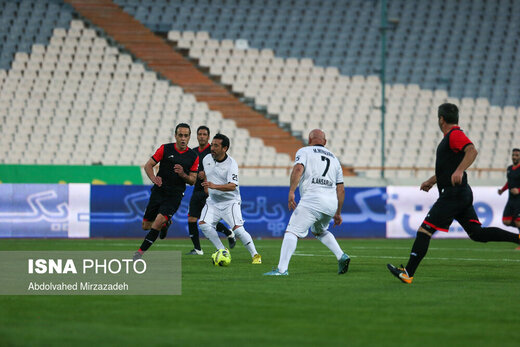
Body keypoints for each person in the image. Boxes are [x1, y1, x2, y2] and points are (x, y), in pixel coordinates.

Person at [387, 103, 520, 283]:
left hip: (454, 194)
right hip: (460, 193)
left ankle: (408, 273)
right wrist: (432, 180)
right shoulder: (451, 138)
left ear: (441, 119)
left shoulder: (454, 135)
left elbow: (472, 150)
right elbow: (448, 168)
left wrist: (459, 170)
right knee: (477, 234)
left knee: (424, 230)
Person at [264, 129, 350, 276]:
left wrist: (291, 191)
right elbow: (341, 189)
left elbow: (298, 168)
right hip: (330, 203)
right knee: (319, 230)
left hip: (312, 200)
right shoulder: (335, 159)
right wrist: (338, 213)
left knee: (292, 231)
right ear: (325, 142)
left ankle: (281, 270)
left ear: (309, 140)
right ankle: (341, 255)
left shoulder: (305, 151)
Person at [133, 123, 199, 260]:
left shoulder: (193, 156)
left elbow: (192, 180)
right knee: (146, 225)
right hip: (159, 191)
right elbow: (148, 165)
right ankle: (166, 224)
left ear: (189, 137)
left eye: (186, 136)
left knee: (157, 221)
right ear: (175, 136)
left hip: (175, 194)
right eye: (180, 135)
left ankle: (139, 253)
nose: (183, 138)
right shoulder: (165, 149)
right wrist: (153, 178)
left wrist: (183, 175)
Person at [198, 133, 262, 264]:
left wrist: (213, 186)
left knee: (238, 229)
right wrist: (205, 180)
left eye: (216, 146)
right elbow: (207, 174)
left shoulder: (231, 164)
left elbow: (232, 186)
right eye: (212, 145)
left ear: (224, 148)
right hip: (213, 202)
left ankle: (255, 255)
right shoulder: (206, 159)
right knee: (203, 225)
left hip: (230, 202)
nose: (212, 148)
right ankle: (222, 250)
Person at [186, 125, 236, 255]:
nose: (202, 136)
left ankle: (228, 233)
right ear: (196, 136)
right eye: (199, 134)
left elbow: (221, 168)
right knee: (192, 218)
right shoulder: (193, 152)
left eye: (204, 134)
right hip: (197, 189)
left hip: (211, 190)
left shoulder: (214, 150)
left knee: (206, 220)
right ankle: (198, 249)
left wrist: (206, 177)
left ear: (208, 137)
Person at [498, 148, 520, 242]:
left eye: (516, 155)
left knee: (518, 222)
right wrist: (502, 190)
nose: (514, 157)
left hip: (519, 200)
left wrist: (519, 190)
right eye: (513, 155)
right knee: (506, 221)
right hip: (511, 200)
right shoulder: (509, 169)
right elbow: (509, 182)